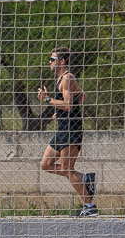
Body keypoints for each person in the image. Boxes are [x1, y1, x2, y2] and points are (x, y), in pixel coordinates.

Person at [38, 47, 97, 216]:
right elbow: (80, 95)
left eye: (52, 59)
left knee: (67, 169)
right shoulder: (62, 80)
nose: (49, 62)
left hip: (72, 129)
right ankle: (84, 179)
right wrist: (60, 111)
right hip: (63, 128)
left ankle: (89, 206)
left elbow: (69, 105)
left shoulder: (68, 77)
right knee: (45, 165)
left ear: (61, 61)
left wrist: (48, 99)